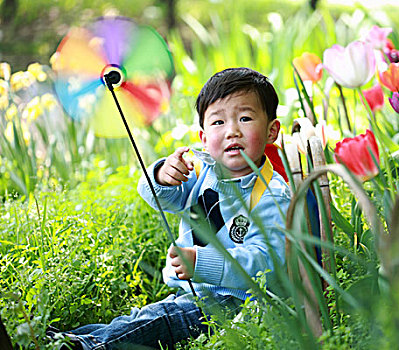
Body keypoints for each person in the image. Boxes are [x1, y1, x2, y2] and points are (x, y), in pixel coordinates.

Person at [49, 67, 291, 349]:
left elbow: (267, 265)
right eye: (218, 123)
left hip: (237, 303)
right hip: (190, 293)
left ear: (272, 130)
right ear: (203, 136)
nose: (232, 131)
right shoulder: (202, 170)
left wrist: (202, 263)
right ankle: (63, 340)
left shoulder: (272, 194)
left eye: (245, 118)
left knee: (159, 320)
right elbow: (159, 198)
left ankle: (82, 347)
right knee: (139, 320)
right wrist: (163, 175)